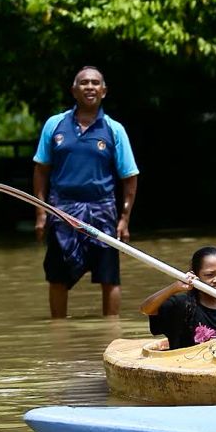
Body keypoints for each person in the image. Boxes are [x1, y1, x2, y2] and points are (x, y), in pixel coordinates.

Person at [33, 66, 139, 318]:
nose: (89, 87)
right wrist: (40, 213)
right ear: (74, 90)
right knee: (57, 276)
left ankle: (111, 332)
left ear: (103, 91)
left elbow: (130, 178)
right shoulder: (54, 125)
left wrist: (124, 219)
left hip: (103, 211)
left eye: (94, 83)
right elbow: (40, 171)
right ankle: (58, 329)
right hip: (61, 211)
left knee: (109, 277)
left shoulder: (114, 129)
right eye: (83, 83)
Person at [140, 246, 216, 350]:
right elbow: (145, 309)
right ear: (195, 275)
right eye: (209, 275)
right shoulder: (180, 304)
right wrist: (174, 288)